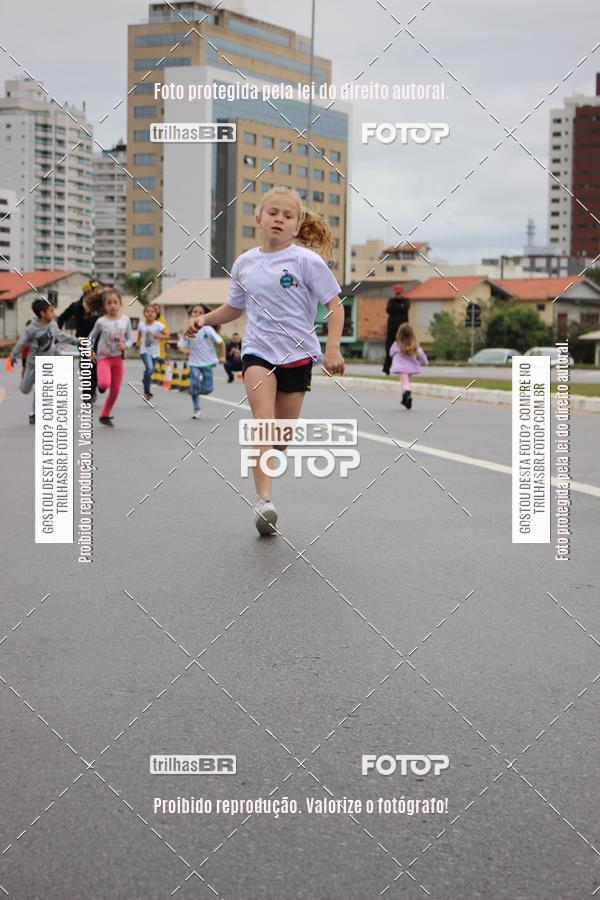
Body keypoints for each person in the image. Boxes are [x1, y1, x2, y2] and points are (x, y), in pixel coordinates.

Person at [184, 185, 345, 535]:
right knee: (263, 423)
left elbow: (335, 305)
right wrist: (204, 320)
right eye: (273, 213)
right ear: (258, 218)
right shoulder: (245, 263)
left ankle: (267, 475)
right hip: (258, 353)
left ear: (297, 224)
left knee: (281, 438)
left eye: (288, 216)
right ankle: (264, 503)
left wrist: (332, 348)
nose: (279, 219)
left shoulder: (306, 262)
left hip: (298, 355)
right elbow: (234, 308)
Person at [9, 299, 79, 424]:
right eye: (51, 311)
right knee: (25, 389)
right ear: (42, 313)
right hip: (32, 364)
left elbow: (62, 336)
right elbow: (21, 342)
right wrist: (13, 357)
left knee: (40, 389)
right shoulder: (32, 328)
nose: (54, 313)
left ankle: (34, 413)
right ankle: (26, 383)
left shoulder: (53, 325)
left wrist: (78, 341)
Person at [88, 288, 134, 426]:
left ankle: (105, 415)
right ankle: (100, 385)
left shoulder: (126, 320)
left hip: (118, 359)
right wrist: (90, 350)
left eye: (115, 302)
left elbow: (131, 340)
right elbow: (91, 337)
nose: (112, 305)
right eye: (109, 303)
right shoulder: (101, 322)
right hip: (104, 358)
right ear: (104, 306)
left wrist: (125, 345)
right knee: (104, 384)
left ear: (120, 304)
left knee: (115, 390)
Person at [57, 279, 103, 401]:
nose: (98, 292)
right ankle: (88, 393)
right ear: (87, 292)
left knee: (95, 366)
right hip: (83, 340)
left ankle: (95, 387)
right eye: (95, 290)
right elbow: (61, 318)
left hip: (99, 340)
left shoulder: (101, 305)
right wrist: (57, 334)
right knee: (86, 366)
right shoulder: (76, 306)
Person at [178, 304, 225, 418]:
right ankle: (196, 407)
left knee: (208, 389)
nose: (197, 314)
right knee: (194, 385)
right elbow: (181, 345)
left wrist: (223, 356)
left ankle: (196, 391)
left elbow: (221, 342)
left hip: (208, 362)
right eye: (195, 312)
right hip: (194, 362)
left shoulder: (207, 329)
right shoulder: (188, 331)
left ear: (204, 315)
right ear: (190, 315)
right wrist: (185, 351)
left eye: (200, 312)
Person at [389, 322, 429, 409]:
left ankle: (407, 393)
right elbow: (421, 354)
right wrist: (425, 363)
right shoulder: (414, 345)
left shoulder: (397, 344)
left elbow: (391, 353)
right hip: (411, 368)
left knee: (405, 383)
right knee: (406, 381)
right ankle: (404, 399)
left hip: (401, 368)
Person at [136, 304, 169, 400]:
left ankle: (145, 380)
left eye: (152, 312)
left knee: (150, 371)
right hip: (144, 351)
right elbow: (139, 334)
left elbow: (167, 336)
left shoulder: (159, 325)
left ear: (156, 314)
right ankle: (147, 391)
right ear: (144, 314)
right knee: (149, 368)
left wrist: (158, 336)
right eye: (148, 311)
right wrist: (138, 342)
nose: (150, 313)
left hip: (155, 352)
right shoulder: (141, 325)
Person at [383, 284, 410, 375]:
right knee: (389, 348)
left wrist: (397, 307)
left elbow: (405, 308)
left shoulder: (406, 301)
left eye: (399, 293)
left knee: (404, 348)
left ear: (402, 292)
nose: (397, 295)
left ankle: (404, 368)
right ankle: (386, 369)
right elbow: (388, 309)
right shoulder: (391, 301)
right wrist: (399, 307)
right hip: (392, 328)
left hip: (403, 329)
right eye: (396, 293)